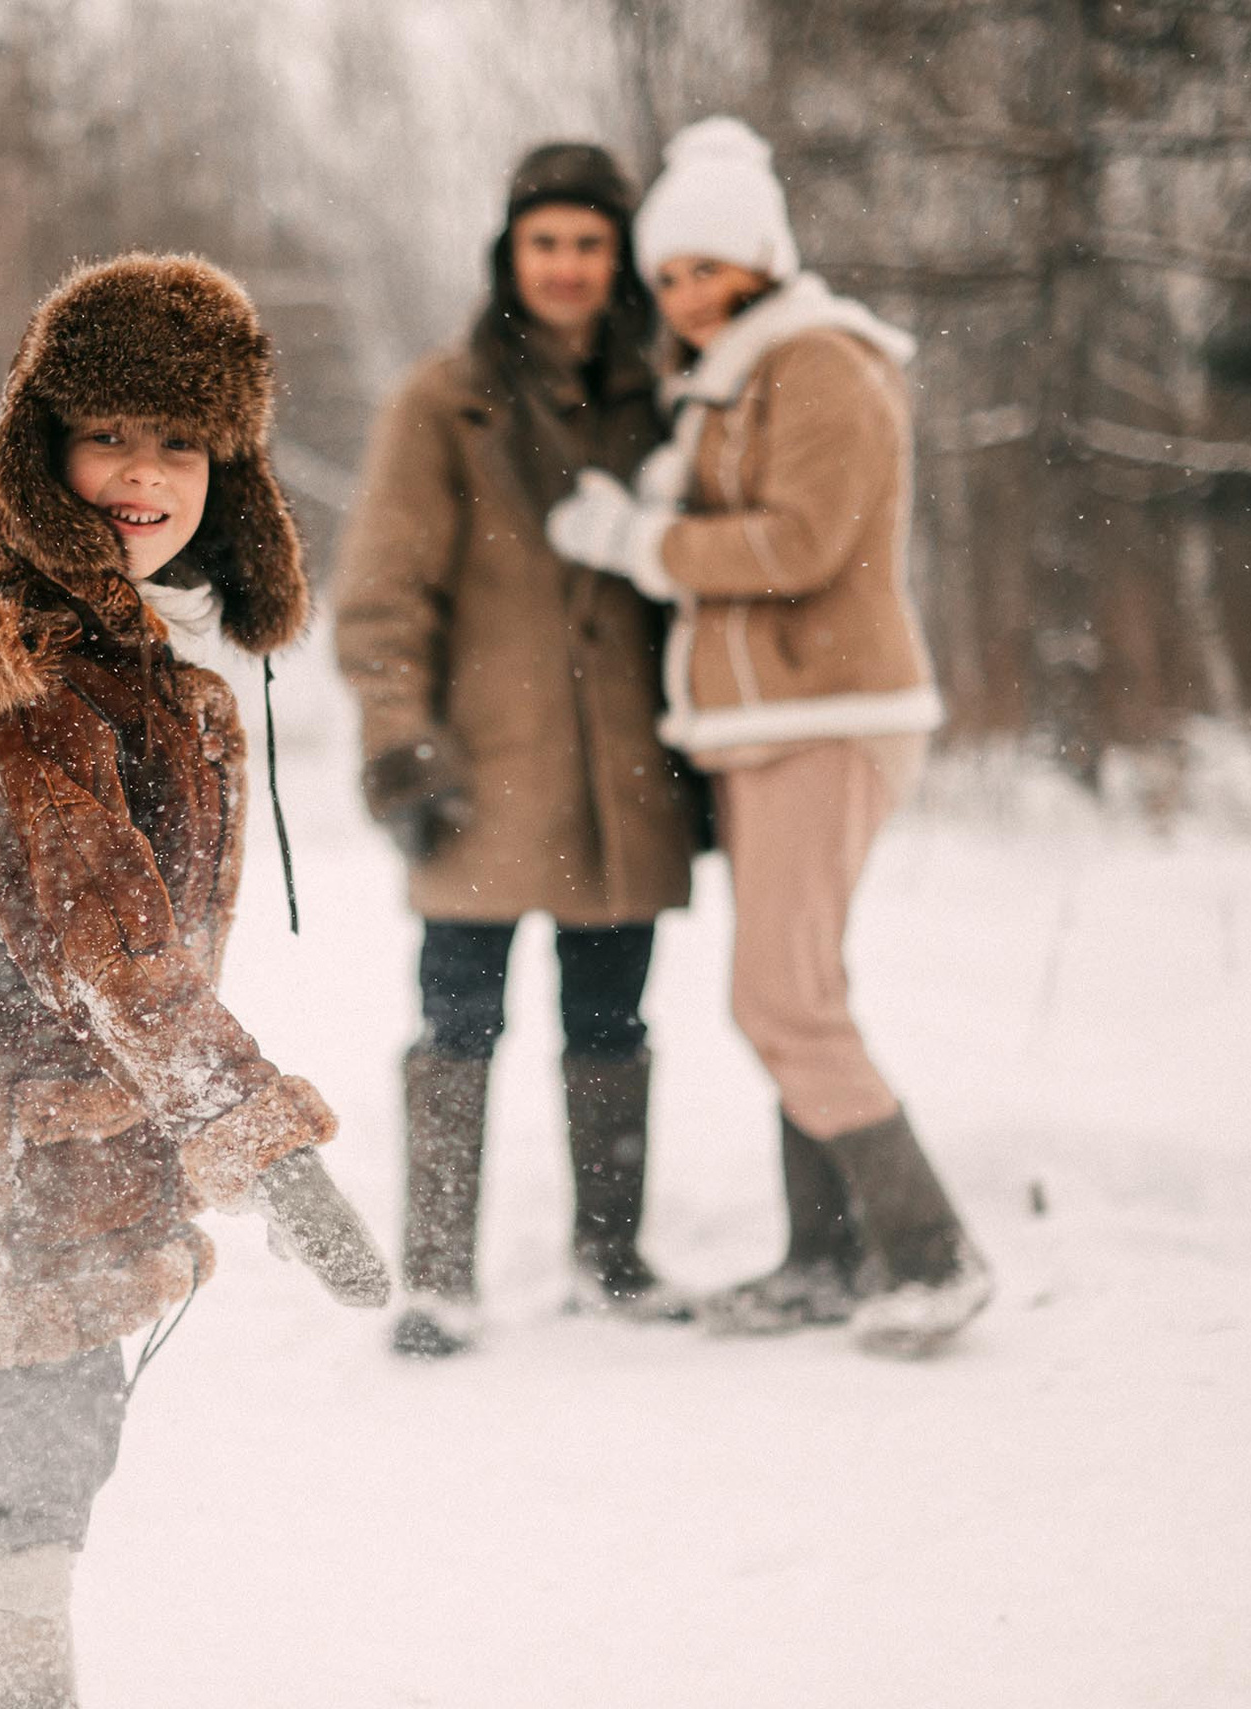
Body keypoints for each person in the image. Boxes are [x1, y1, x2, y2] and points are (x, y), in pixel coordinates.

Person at [0, 254, 391, 1708]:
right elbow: (101, 938)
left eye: (180, 442)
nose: (143, 474)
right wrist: (262, 1139)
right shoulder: (8, 659)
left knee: (22, 1464)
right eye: (107, 435)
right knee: (10, 1472)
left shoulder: (126, 638)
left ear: (228, 469)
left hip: (38, 1144)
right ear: (40, 445)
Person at [545, 117, 992, 1356]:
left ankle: (932, 1255)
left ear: (761, 259)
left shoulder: (819, 361)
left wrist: (639, 542)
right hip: (764, 724)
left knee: (782, 999)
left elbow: (802, 543)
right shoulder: (733, 374)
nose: (685, 295)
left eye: (707, 268)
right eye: (668, 275)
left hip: (827, 715)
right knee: (803, 991)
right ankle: (825, 1260)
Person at [335, 143, 705, 1359]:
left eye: (590, 244)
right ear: (511, 255)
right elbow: (385, 599)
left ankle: (612, 1258)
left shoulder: (668, 396)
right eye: (546, 242)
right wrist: (402, 742)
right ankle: (438, 1277)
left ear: (620, 260)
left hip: (628, 774)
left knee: (611, 1020)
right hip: (481, 771)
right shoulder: (441, 402)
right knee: (456, 1020)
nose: (567, 266)